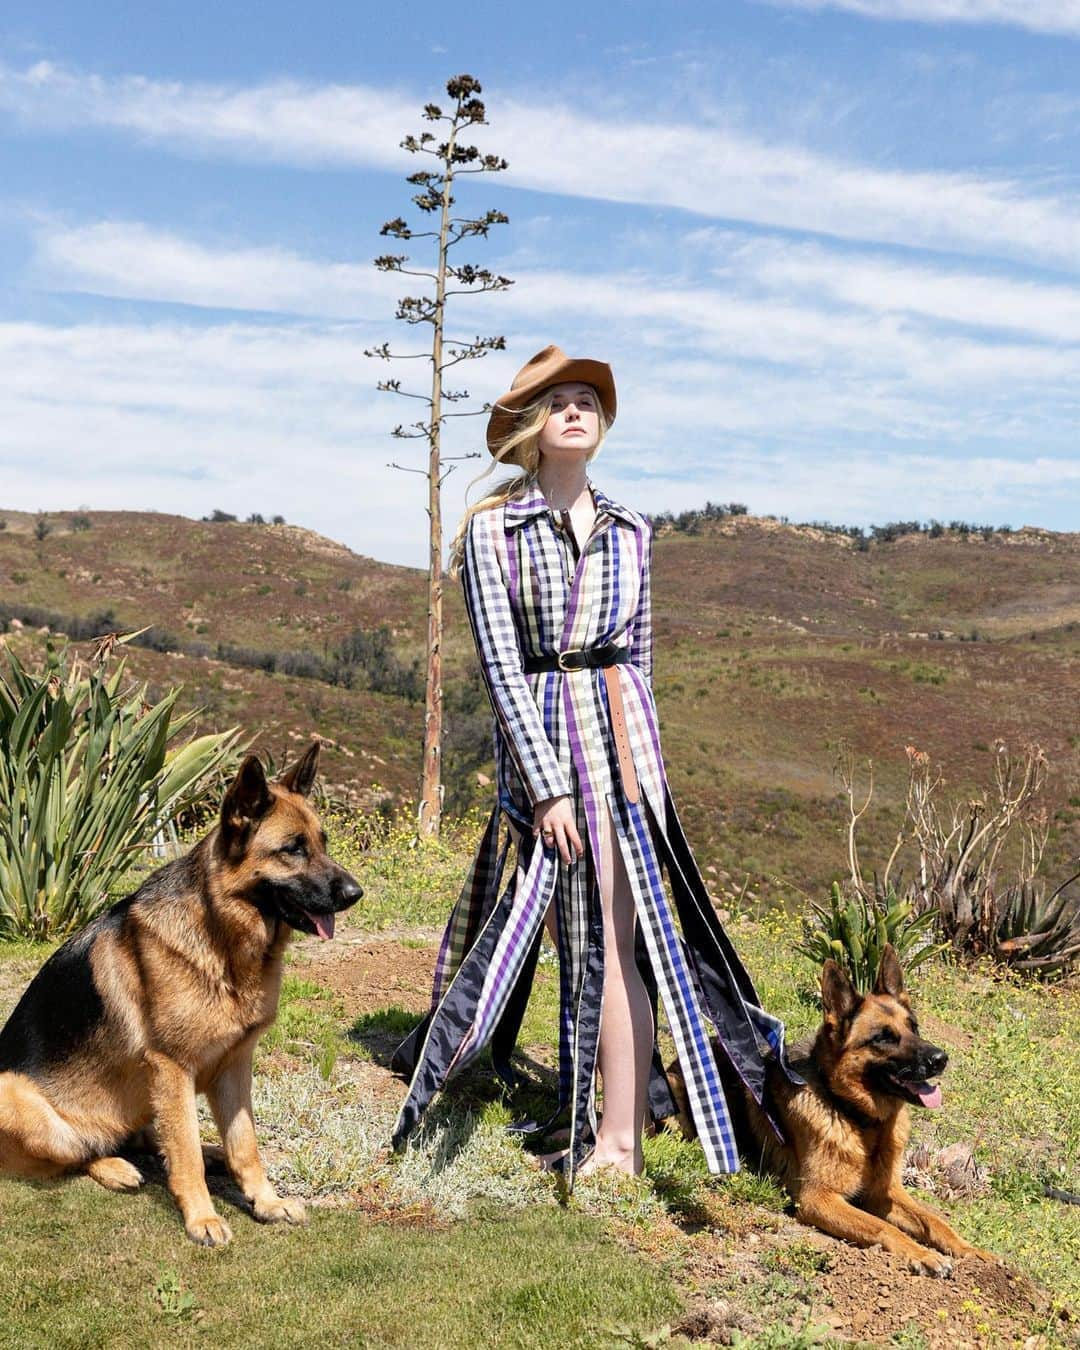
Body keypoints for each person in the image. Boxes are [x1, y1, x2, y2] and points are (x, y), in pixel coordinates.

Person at [392, 345, 795, 1182]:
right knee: (584, 934)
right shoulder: (492, 534)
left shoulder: (632, 531)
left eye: (588, 400)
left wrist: (642, 770)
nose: (576, 411)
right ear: (531, 429)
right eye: (558, 402)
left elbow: (640, 658)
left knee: (618, 935)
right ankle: (608, 1121)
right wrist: (546, 789)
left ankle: (619, 1139)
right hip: (548, 745)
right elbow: (501, 670)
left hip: (622, 748)